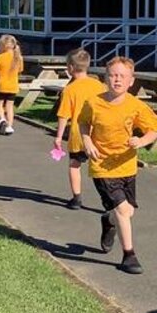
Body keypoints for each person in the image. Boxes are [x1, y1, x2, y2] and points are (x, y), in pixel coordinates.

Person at [78, 56, 157, 274]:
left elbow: (154, 130)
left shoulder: (136, 106)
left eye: (122, 76)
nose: (117, 80)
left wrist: (141, 141)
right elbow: (83, 123)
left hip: (127, 165)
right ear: (105, 78)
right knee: (123, 209)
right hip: (102, 166)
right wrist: (87, 142)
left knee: (127, 212)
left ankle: (109, 220)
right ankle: (129, 255)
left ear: (131, 81)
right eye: (113, 75)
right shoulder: (93, 103)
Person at [53, 49, 106, 210]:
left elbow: (64, 115)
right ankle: (109, 198)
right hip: (97, 133)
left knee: (74, 164)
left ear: (70, 67)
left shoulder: (70, 89)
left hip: (78, 134)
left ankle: (77, 198)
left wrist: (58, 137)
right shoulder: (99, 86)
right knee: (101, 168)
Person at [0, 33, 24, 135]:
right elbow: (20, 70)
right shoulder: (18, 58)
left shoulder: (0, 57)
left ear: (3, 45)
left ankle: (2, 119)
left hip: (2, 84)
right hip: (13, 85)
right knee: (10, 106)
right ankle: (9, 126)